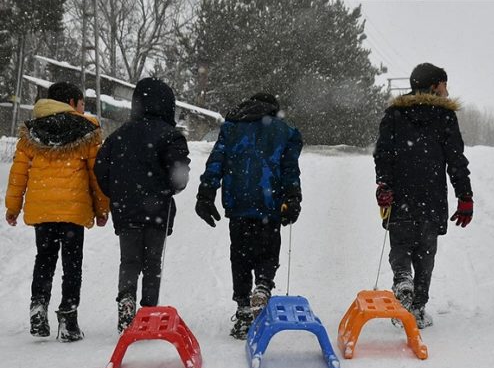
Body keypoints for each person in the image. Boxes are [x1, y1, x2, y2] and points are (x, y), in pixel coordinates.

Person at [4, 81, 109, 342]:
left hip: (43, 210)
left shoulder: (32, 131)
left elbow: (19, 173)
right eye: (82, 102)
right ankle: (68, 320)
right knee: (72, 265)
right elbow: (96, 175)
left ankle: (38, 306)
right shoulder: (86, 129)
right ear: (71, 103)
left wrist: (13, 206)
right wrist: (102, 208)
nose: (84, 107)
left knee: (45, 260)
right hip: (73, 210)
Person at [373, 62, 474, 329]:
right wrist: (465, 196)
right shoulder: (445, 117)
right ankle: (416, 308)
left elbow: (382, 152)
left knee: (401, 245)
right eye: (444, 84)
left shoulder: (395, 113)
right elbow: (456, 160)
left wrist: (384, 184)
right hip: (431, 197)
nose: (447, 90)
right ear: (433, 86)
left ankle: (402, 279)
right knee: (425, 253)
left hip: (401, 196)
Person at [195, 93, 302, 340]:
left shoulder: (232, 128)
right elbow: (289, 169)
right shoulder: (284, 131)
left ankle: (243, 311)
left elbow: (216, 162)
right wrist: (293, 197)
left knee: (240, 254)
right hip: (270, 203)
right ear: (274, 110)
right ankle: (263, 286)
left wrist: (206, 193)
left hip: (239, 203)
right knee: (268, 250)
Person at [94, 78, 190, 333]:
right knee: (152, 264)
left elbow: (101, 169)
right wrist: (168, 189)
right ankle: (148, 311)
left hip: (126, 210)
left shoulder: (118, 136)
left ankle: (126, 301)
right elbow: (179, 177)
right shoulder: (170, 135)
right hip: (158, 210)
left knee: (129, 261)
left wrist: (116, 193)